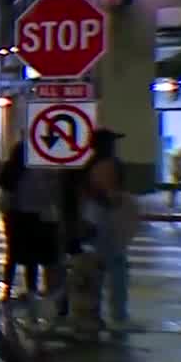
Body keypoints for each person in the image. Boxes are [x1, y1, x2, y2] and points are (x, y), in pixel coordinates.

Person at [76, 129, 137, 332]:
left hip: (93, 222)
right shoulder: (109, 164)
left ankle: (94, 315)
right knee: (116, 271)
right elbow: (108, 195)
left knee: (96, 273)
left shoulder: (89, 166)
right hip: (107, 223)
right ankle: (118, 315)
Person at [0, 141, 58, 303]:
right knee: (33, 255)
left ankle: (7, 289)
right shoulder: (39, 170)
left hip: (16, 216)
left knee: (13, 254)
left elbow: (5, 197)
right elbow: (48, 194)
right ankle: (31, 289)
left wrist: (6, 215)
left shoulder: (11, 170)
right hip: (35, 217)